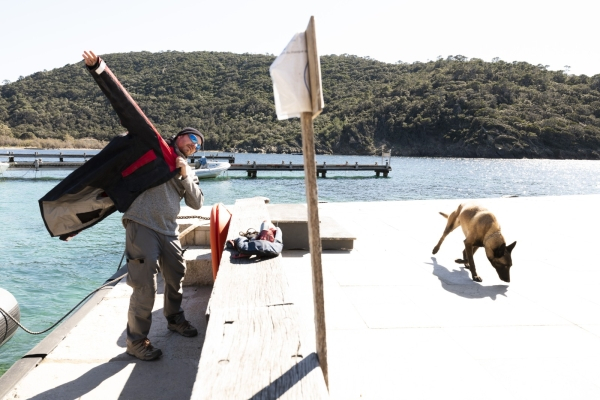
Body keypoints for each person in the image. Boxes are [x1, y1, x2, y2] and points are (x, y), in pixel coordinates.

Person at [81, 50, 204, 361]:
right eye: (191, 138)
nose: (193, 144)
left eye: (199, 144)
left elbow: (196, 202)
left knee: (176, 276)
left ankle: (175, 319)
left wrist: (185, 174)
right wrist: (99, 70)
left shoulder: (186, 170)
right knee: (145, 286)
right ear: (178, 137)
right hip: (142, 225)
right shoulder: (156, 148)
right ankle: (137, 341)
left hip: (170, 231)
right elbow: (128, 108)